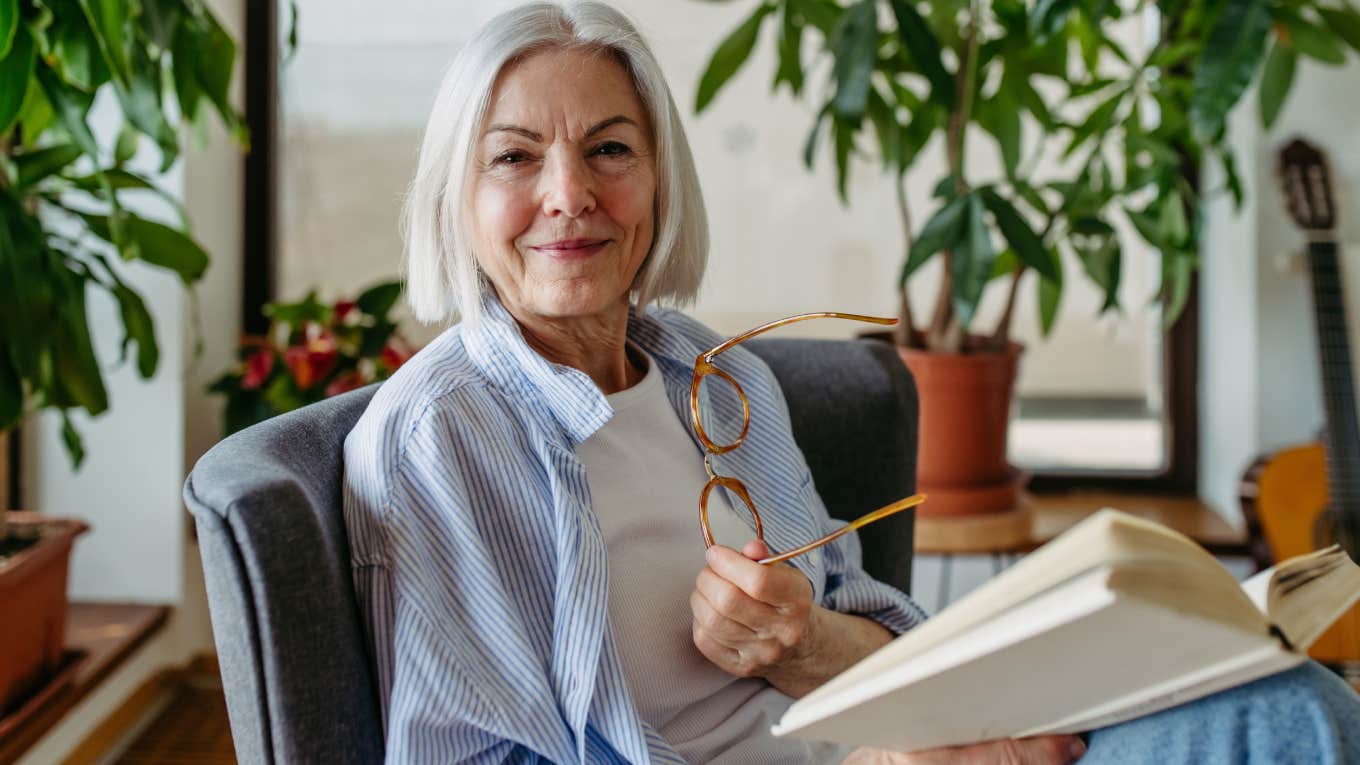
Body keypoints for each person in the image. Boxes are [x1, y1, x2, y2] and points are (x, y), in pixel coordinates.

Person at [342, 2, 1360, 762]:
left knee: (1296, 704)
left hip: (901, 738)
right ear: (456, 199)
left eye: (610, 149)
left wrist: (814, 648)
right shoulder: (436, 437)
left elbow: (872, 628)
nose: (569, 196)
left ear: (659, 180)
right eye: (513, 158)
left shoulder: (718, 377)